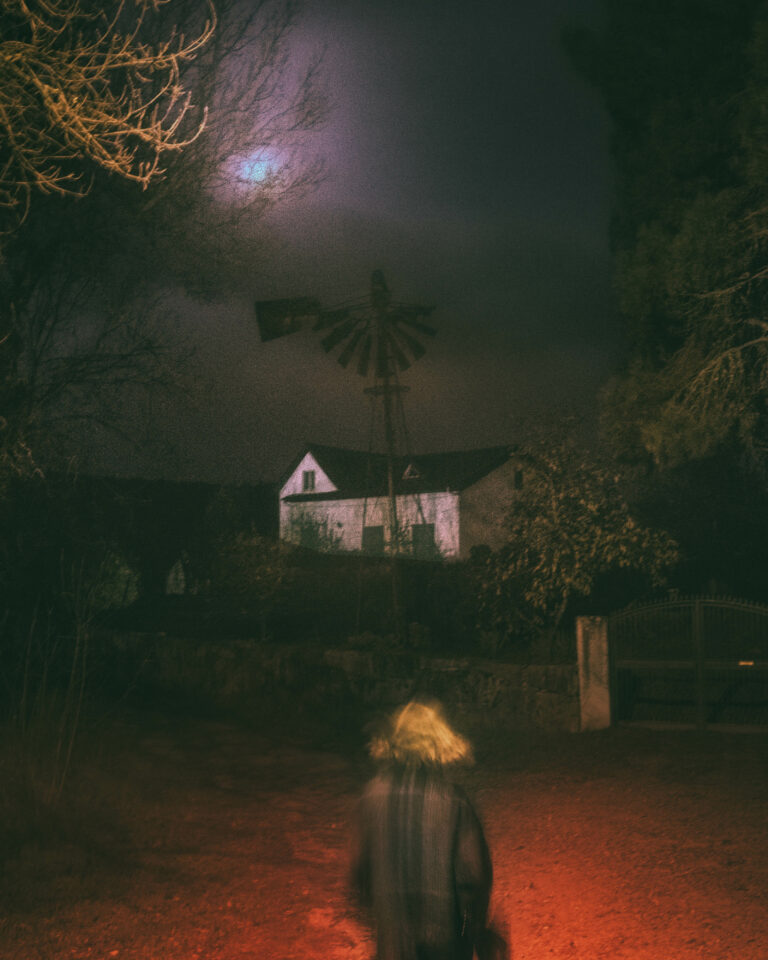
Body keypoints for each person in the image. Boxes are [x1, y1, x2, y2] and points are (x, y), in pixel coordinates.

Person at [351, 699, 507, 960]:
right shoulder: (453, 801)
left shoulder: (371, 797)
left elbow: (360, 873)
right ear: (438, 745)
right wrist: (474, 928)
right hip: (445, 945)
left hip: (393, 945)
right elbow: (473, 879)